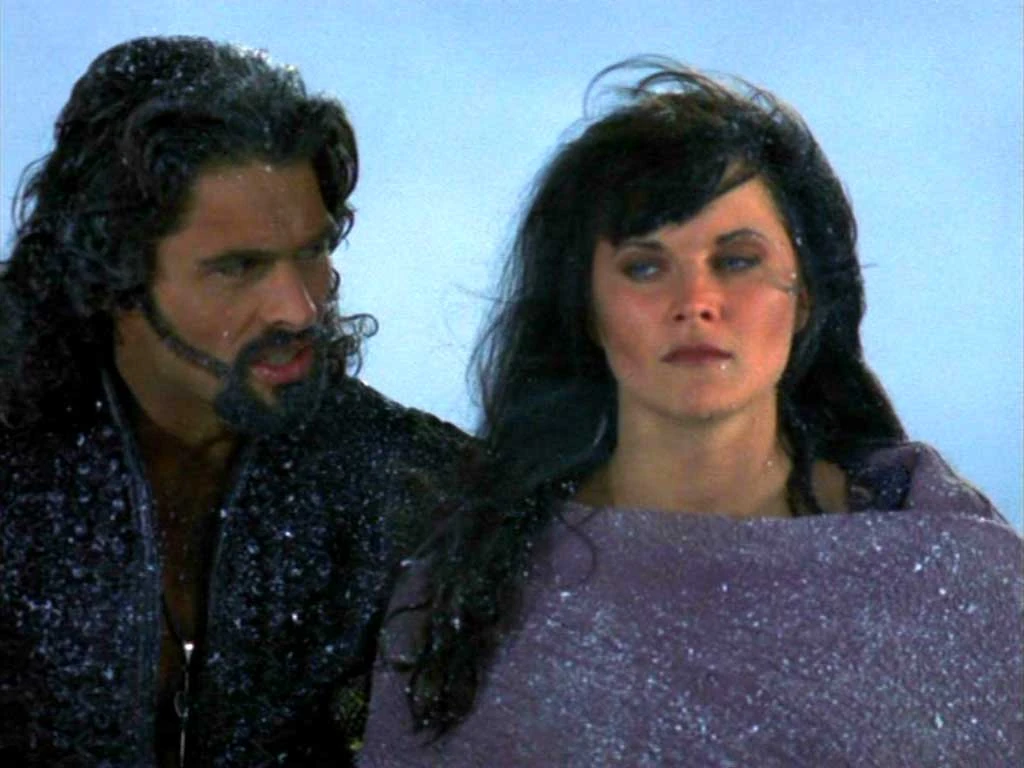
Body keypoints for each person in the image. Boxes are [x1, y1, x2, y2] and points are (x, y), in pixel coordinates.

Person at [358, 59, 1023, 765]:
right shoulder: (472, 593)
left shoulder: (954, 582)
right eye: (645, 267)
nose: (696, 302)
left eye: (736, 260)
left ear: (804, 296)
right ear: (585, 308)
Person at [0, 36, 466, 766]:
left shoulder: (416, 493)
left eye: (312, 252)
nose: (298, 308)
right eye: (239, 267)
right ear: (116, 274)